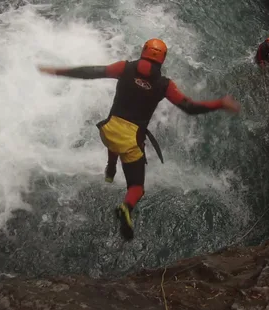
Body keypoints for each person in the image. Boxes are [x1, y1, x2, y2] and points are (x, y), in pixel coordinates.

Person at [37, 38, 240, 241]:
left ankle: (110, 169)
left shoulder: (123, 68)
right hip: (130, 141)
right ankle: (126, 207)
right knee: (136, 187)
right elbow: (190, 108)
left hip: (107, 130)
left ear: (143, 51)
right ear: (163, 59)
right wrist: (220, 103)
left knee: (116, 139)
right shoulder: (164, 85)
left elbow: (91, 72)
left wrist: (58, 71)